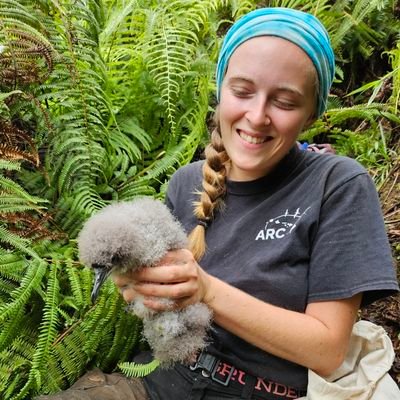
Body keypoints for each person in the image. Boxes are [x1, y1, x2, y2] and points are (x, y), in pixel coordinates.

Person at [39, 7, 399, 400]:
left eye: (285, 101)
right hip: (159, 381)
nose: (257, 116)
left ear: (312, 114)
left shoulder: (337, 184)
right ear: (221, 90)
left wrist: (205, 290)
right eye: (242, 92)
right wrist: (141, 285)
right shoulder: (186, 182)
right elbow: (165, 306)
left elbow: (327, 351)